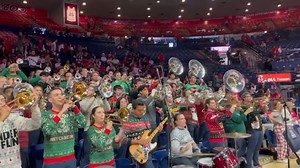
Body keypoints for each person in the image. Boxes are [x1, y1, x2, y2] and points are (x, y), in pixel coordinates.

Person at [41, 87, 86, 168]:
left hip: (70, 159)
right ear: (50, 100)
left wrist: (75, 108)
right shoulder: (45, 115)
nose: (60, 97)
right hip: (52, 161)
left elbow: (83, 123)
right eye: (56, 95)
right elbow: (47, 131)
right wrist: (61, 112)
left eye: (61, 94)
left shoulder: (70, 114)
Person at [0, 93, 41, 168]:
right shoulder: (5, 116)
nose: (1, 103)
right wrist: (2, 119)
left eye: (2, 100)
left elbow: (35, 125)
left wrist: (34, 107)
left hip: (16, 164)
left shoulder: (12, 117)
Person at [121, 100, 164, 168]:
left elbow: (149, 134)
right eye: (139, 110)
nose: (142, 112)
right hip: (133, 151)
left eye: (143, 110)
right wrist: (139, 141)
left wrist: (158, 130)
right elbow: (123, 140)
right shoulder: (128, 120)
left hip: (145, 151)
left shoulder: (145, 118)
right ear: (133, 109)